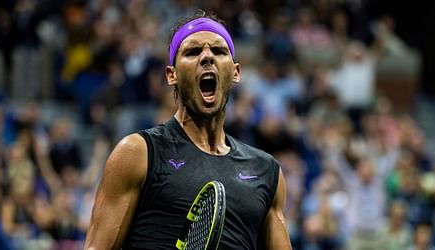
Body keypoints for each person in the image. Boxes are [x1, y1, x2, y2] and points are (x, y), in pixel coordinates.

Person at [84, 10, 292, 249]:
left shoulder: (266, 171)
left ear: (235, 72)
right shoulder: (137, 153)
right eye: (192, 52)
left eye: (218, 51)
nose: (207, 57)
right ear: (171, 75)